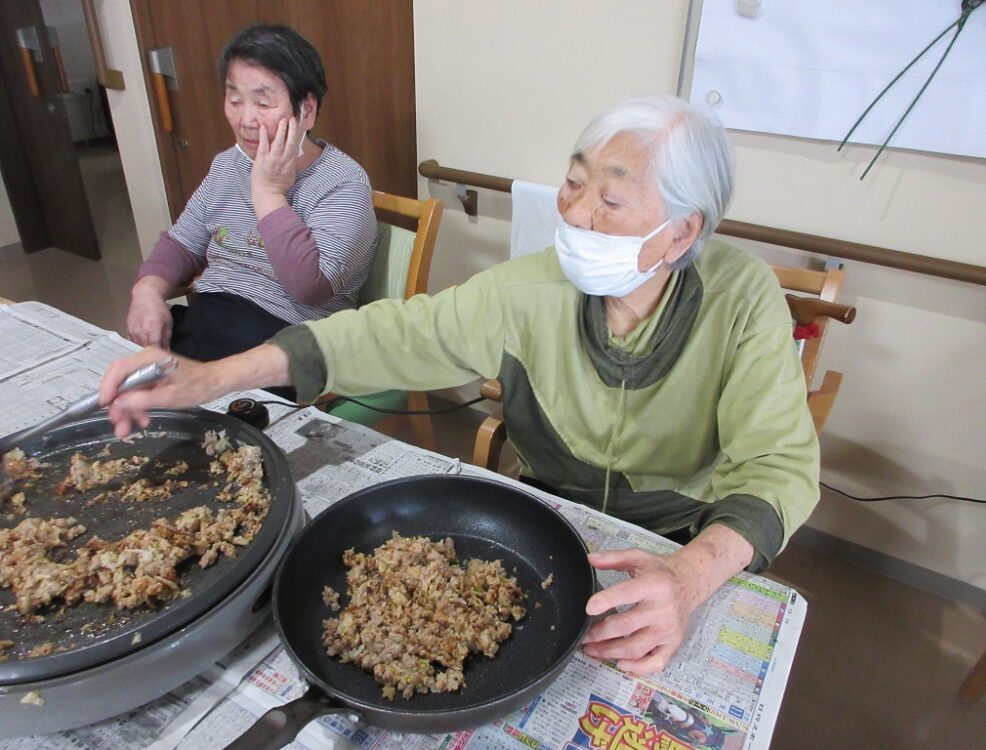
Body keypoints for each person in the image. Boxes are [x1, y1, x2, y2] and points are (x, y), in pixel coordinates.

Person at [100, 94, 819, 676]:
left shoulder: (742, 297)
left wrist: (688, 578)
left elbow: (780, 466)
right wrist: (215, 376)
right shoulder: (533, 288)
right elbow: (394, 335)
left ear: (680, 233)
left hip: (679, 540)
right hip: (547, 524)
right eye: (573, 184)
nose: (574, 215)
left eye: (611, 201)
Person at [126, 24, 378, 363]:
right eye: (234, 100)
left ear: (307, 110)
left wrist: (269, 192)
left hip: (284, 342)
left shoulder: (343, 183)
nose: (245, 119)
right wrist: (146, 293)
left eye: (262, 103)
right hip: (207, 321)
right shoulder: (227, 165)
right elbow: (181, 244)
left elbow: (310, 288)